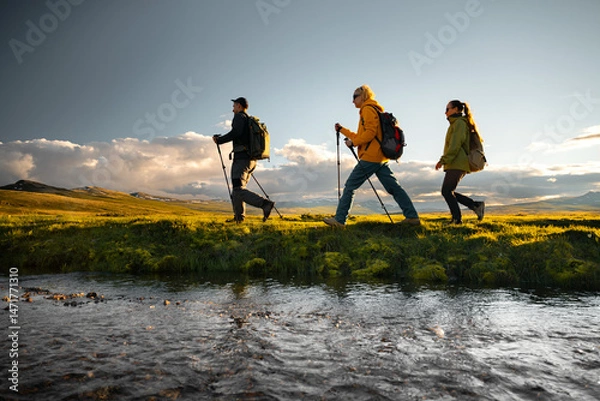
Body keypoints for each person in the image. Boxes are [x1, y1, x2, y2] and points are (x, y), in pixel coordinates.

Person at [324, 85, 420, 227]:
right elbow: (362, 135)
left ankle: (339, 220)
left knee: (350, 186)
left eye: (354, 97)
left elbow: (370, 133)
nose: (352, 101)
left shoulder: (367, 109)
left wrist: (354, 143)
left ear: (363, 96)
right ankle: (412, 217)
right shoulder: (372, 110)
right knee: (394, 188)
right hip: (381, 157)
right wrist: (343, 130)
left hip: (370, 157)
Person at [213, 97, 275, 223]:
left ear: (239, 106)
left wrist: (219, 140)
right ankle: (239, 218)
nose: (233, 109)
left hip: (242, 159)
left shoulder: (239, 117)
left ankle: (265, 204)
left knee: (237, 189)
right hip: (251, 160)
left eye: (234, 106)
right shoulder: (248, 120)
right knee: (238, 189)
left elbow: (235, 133)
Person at [435, 99, 485, 224]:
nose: (445, 112)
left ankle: (457, 219)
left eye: (448, 109)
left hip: (458, 162)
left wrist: (443, 160)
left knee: (446, 191)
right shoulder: (456, 123)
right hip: (456, 162)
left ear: (456, 109)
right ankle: (475, 206)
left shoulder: (459, 123)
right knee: (447, 191)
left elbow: (455, 145)